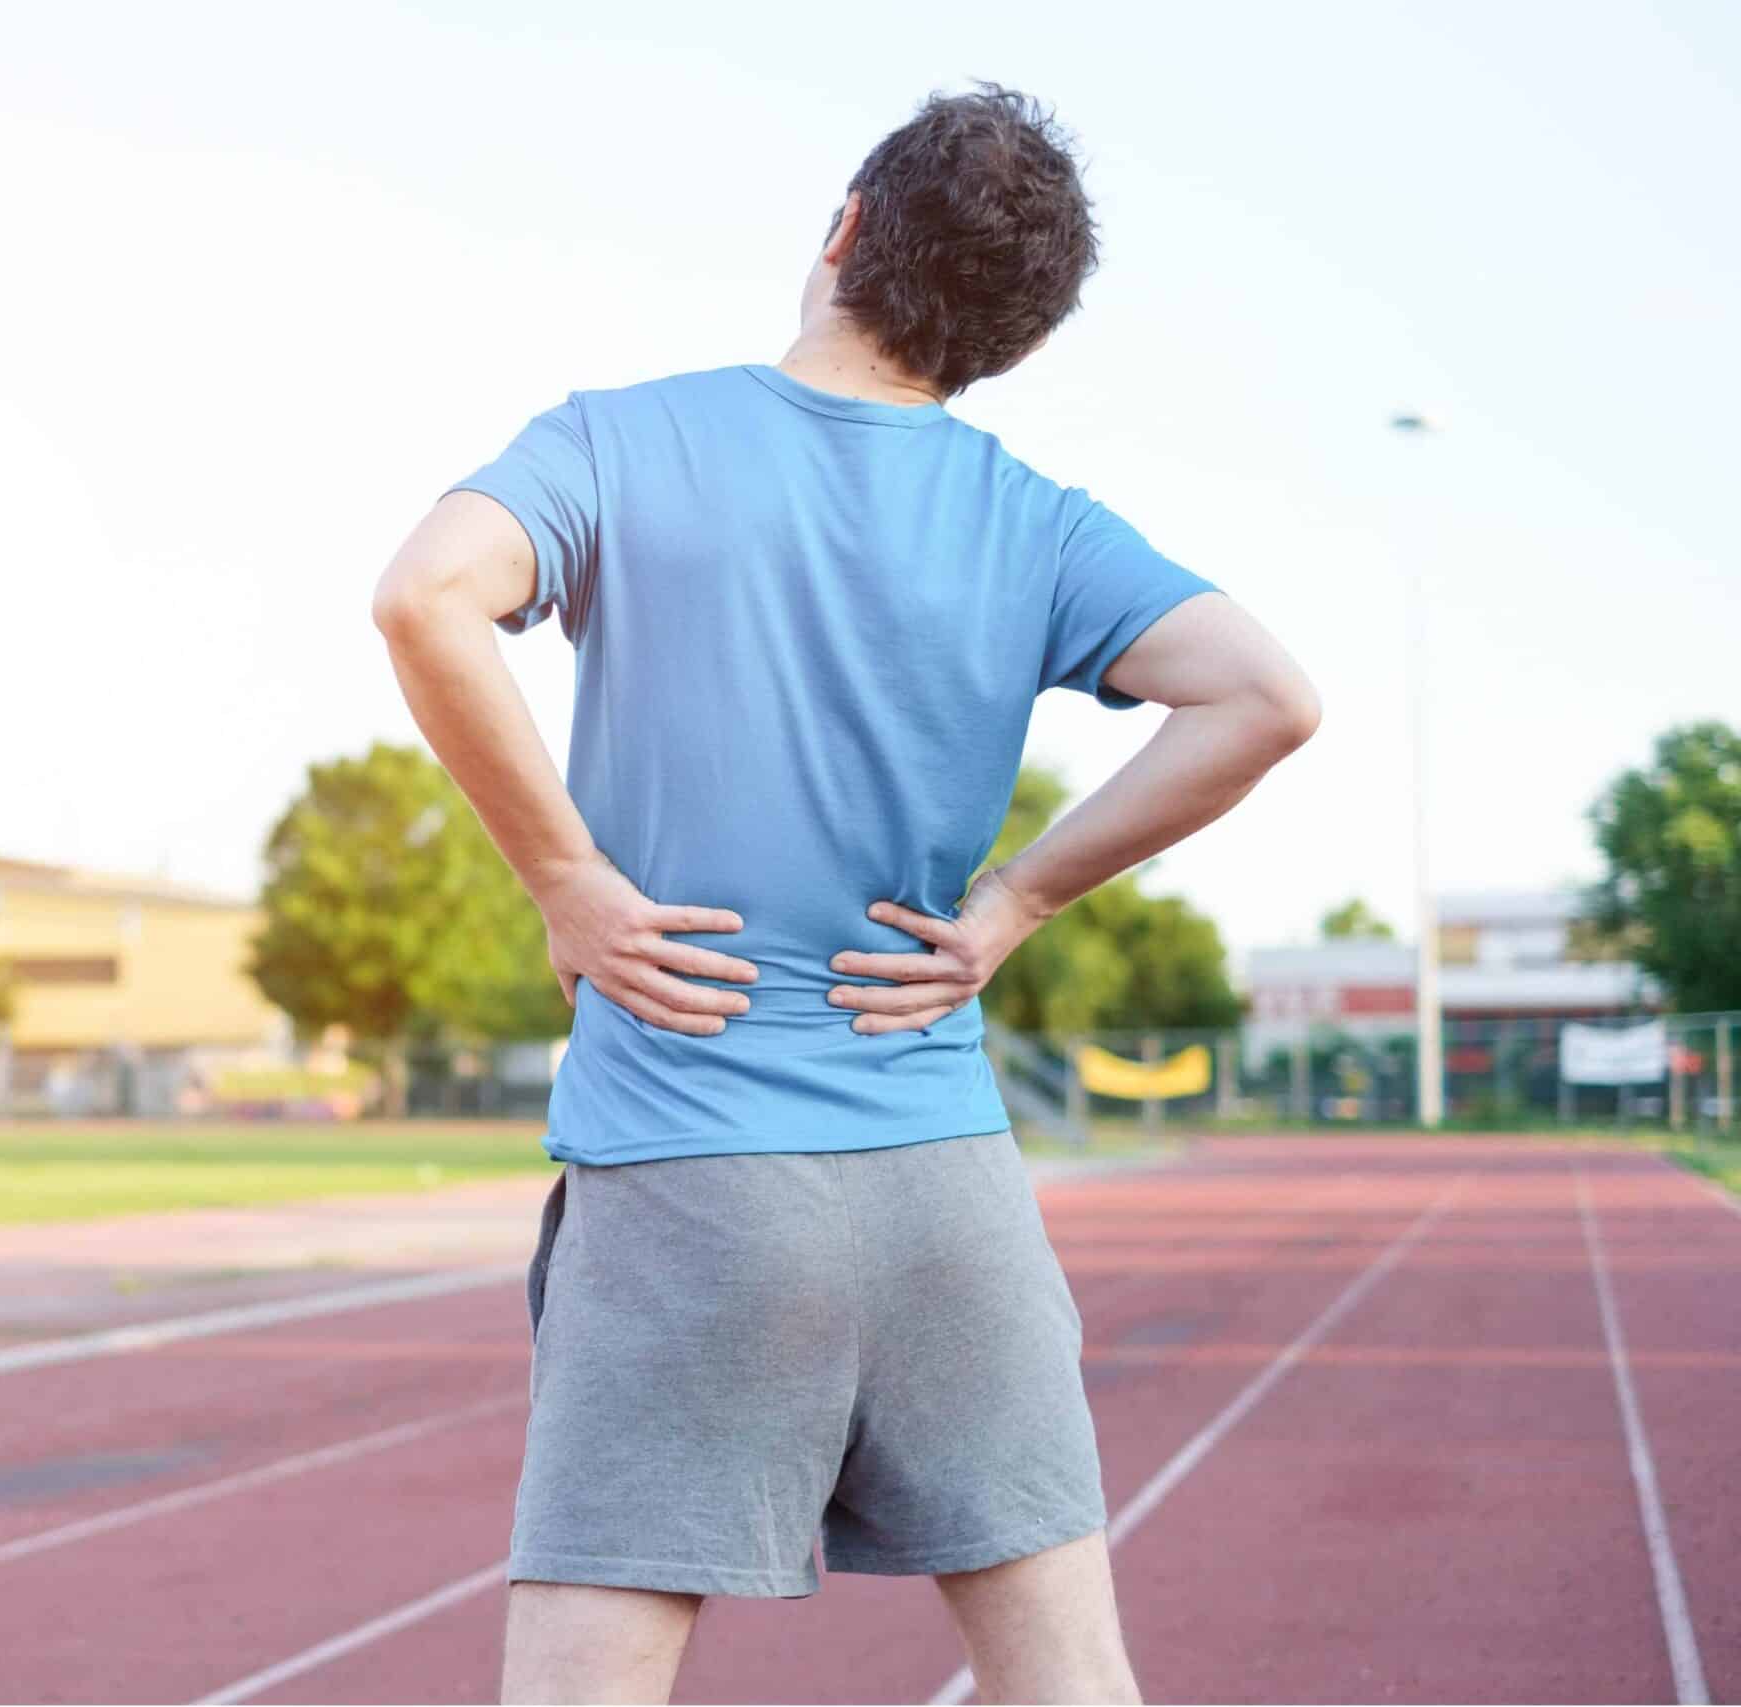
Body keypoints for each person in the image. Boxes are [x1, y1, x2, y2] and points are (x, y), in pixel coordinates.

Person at [371, 84, 1319, 1706]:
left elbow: (425, 595)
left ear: (846, 233)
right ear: (1005, 338)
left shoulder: (621, 437)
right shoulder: (1033, 517)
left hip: (691, 1173)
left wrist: (567, 880)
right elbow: (1265, 697)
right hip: (950, 1185)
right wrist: (1017, 899)